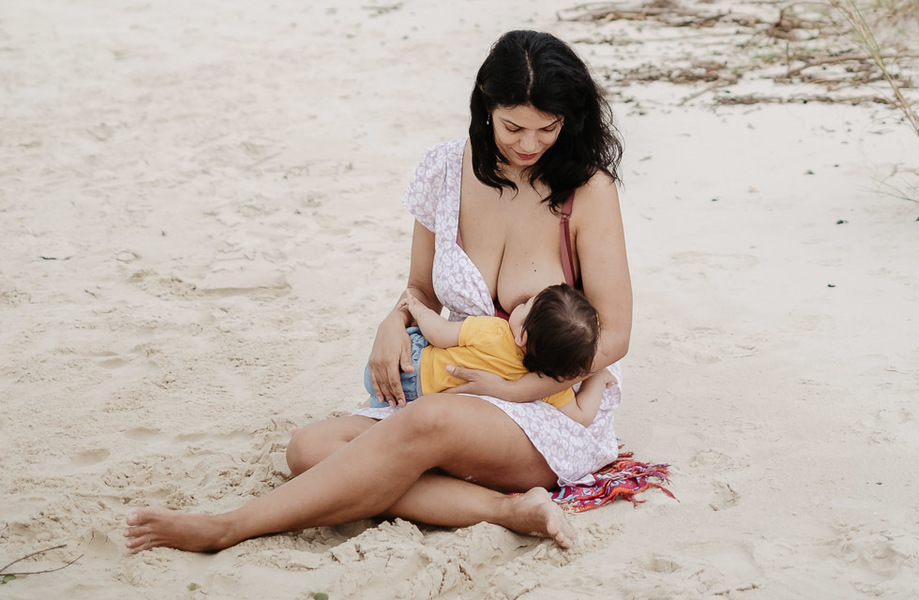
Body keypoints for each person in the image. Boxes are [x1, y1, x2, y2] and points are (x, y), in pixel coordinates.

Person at [125, 30, 632, 555]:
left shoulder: (587, 189)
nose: (529, 145)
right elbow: (419, 291)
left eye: (547, 129)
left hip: (549, 410)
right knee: (309, 447)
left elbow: (615, 336)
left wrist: (513, 387)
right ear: (485, 107)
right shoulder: (444, 171)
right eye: (513, 127)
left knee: (427, 423)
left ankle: (228, 528)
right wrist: (392, 324)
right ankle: (508, 509)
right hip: (447, 388)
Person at [365, 285, 616, 427]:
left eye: (527, 305)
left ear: (523, 337)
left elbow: (439, 334)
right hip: (418, 398)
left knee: (419, 338)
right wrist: (597, 376)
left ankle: (372, 402)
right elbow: (582, 416)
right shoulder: (549, 385)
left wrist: (418, 310)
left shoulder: (495, 331)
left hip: (410, 367)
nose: (521, 304)